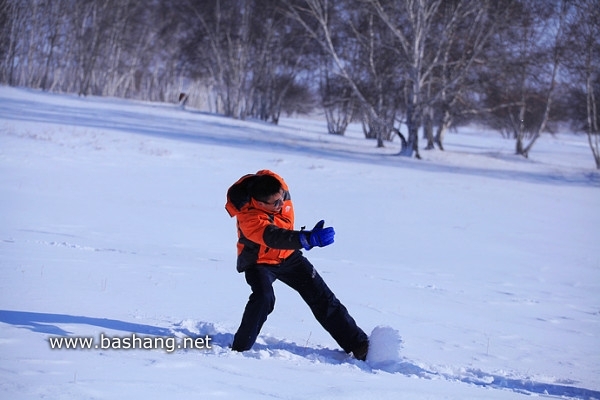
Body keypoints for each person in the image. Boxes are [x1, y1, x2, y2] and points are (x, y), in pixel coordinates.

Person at [225, 170, 369, 361]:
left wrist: (303, 239)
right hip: (260, 262)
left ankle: (358, 345)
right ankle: (240, 348)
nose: (282, 204)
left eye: (282, 198)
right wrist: (307, 238)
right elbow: (274, 237)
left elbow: (273, 189)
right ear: (259, 204)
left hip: (289, 256)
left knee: (322, 297)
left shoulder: (278, 185)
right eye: (275, 203)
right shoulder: (248, 218)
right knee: (263, 297)